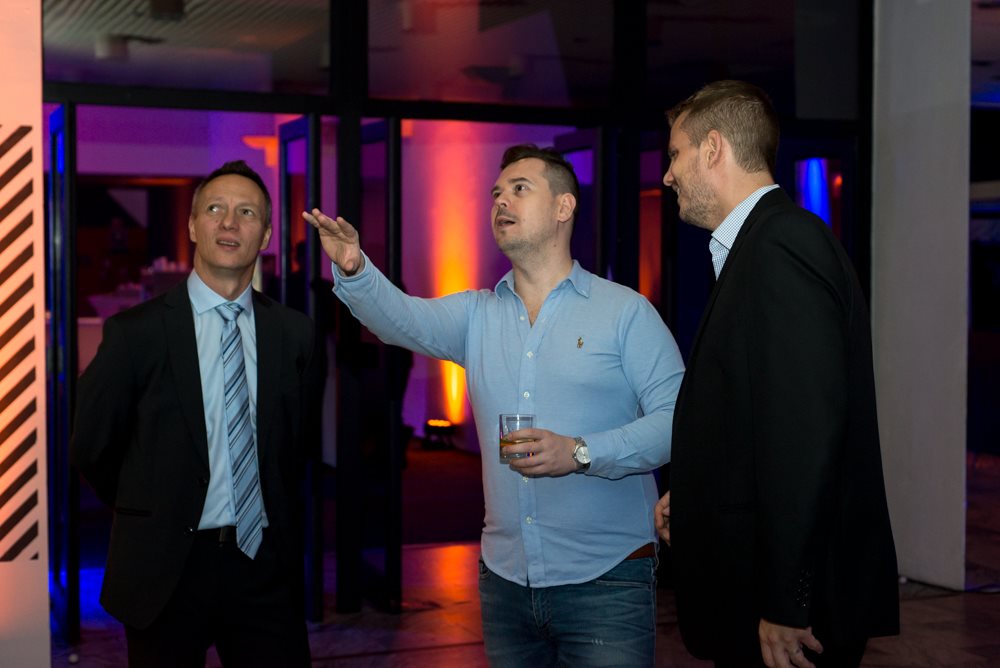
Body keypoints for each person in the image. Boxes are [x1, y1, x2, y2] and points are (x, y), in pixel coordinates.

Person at [304, 144, 685, 667]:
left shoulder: (625, 312)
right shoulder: (476, 314)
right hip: (504, 582)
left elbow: (677, 422)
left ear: (564, 207)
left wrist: (579, 452)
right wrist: (354, 267)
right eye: (497, 193)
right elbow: (400, 319)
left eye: (519, 189)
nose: (501, 201)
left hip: (607, 580)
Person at [654, 80, 899, 668]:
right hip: (759, 589)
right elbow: (753, 417)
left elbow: (804, 435)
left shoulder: (783, 245)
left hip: (785, 615)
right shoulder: (760, 245)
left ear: (714, 148)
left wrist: (789, 601)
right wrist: (696, 494)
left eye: (676, 154)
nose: (667, 175)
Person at [71, 160, 321, 667]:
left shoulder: (295, 334)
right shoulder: (134, 334)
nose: (229, 222)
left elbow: (296, 447)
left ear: (265, 235)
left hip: (262, 566)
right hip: (164, 569)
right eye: (215, 209)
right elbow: (93, 447)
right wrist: (150, 507)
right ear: (191, 226)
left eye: (246, 212)